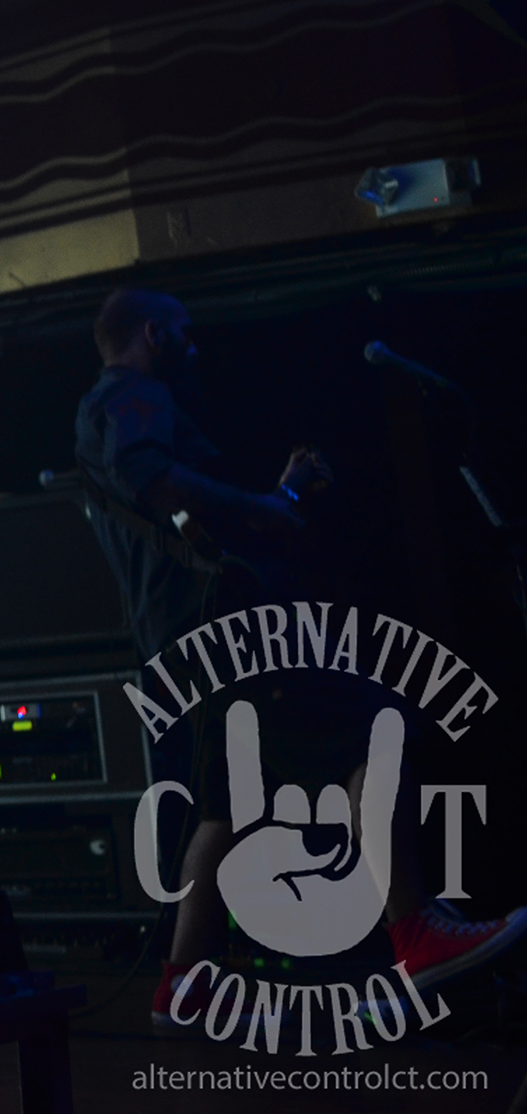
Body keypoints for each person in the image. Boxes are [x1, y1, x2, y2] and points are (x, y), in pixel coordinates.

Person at [75, 288, 525, 1031]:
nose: (195, 346)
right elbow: (151, 478)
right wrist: (270, 508)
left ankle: (185, 982)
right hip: (227, 632)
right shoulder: (134, 395)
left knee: (226, 804)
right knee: (377, 727)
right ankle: (416, 933)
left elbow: (177, 513)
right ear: (154, 333)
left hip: (186, 642)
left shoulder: (101, 409)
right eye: (185, 332)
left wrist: (276, 498)